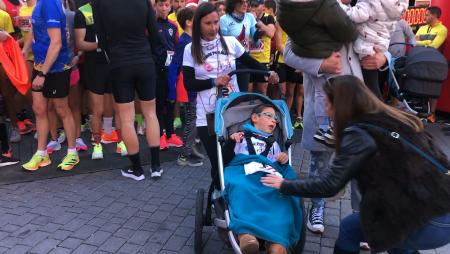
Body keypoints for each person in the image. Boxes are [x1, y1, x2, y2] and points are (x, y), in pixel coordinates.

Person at [262, 74, 450, 254]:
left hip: (427, 219)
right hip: (441, 207)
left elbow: (329, 185)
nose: (326, 109)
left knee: (350, 229)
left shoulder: (358, 133)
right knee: (393, 236)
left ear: (340, 105)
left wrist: (284, 185)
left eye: (327, 103)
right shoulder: (392, 118)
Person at [182, 2, 278, 192]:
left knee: (233, 157)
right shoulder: (190, 49)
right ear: (198, 25)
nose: (213, 28)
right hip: (207, 116)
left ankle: (235, 195)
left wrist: (268, 72)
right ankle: (220, 195)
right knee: (217, 160)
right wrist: (212, 82)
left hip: (232, 112)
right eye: (208, 23)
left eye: (216, 22)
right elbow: (188, 84)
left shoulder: (231, 42)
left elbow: (250, 61)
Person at [95, 0, 163, 180]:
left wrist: (112, 59)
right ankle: (156, 166)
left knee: (126, 118)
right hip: (144, 59)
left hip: (119, 62)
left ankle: (137, 169)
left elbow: (101, 38)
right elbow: (154, 32)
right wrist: (152, 55)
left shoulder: (101, 3)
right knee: (150, 114)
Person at [224, 104, 289, 254]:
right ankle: (246, 234)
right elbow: (228, 161)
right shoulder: (240, 137)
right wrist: (231, 142)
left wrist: (282, 159)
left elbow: (277, 166)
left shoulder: (274, 145)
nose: (274, 121)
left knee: (278, 192)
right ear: (255, 118)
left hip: (266, 174)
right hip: (244, 172)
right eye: (269, 116)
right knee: (241, 187)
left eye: (276, 118)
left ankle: (275, 241)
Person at [22, 0, 79, 171]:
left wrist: (42, 74)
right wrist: (25, 48)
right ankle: (41, 154)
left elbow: (56, 43)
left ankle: (72, 152)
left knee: (62, 108)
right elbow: (35, 27)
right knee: (39, 109)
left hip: (57, 66)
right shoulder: (40, 3)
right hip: (40, 63)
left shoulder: (50, 3)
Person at [74, 0, 123, 160]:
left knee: (119, 107)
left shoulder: (114, 8)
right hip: (94, 65)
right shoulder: (83, 11)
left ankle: (120, 141)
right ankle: (97, 145)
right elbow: (80, 43)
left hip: (114, 62)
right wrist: (101, 45)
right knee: (97, 109)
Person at [168, 7, 203, 167]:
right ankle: (184, 155)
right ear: (189, 22)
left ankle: (190, 148)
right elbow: (175, 65)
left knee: (193, 118)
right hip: (186, 85)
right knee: (190, 120)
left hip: (193, 84)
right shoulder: (184, 41)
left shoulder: (192, 39)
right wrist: (172, 89)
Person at [155, 0, 184, 151]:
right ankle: (159, 135)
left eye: (166, 5)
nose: (164, 8)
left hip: (171, 71)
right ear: (155, 6)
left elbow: (177, 47)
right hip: (156, 71)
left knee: (171, 102)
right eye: (161, 5)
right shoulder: (151, 25)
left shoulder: (173, 25)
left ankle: (170, 134)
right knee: (159, 105)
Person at [415, 6, 448, 123]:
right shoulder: (422, 27)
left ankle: (431, 114)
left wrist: (422, 42)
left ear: (434, 15)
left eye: (427, 14)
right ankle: (419, 111)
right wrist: (427, 42)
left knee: (434, 88)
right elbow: (414, 42)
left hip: (435, 63)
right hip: (420, 60)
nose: (425, 17)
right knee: (419, 84)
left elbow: (434, 46)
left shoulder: (442, 29)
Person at [219, 0, 260, 92]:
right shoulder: (224, 19)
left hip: (244, 59)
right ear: (233, 3)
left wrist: (258, 35)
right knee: (229, 91)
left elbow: (256, 42)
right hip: (229, 61)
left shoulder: (250, 17)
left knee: (243, 91)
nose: (245, 4)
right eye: (241, 2)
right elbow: (223, 43)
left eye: (246, 2)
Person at [248, 0, 275, 95]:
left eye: (255, 5)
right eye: (251, 5)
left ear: (263, 6)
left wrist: (257, 21)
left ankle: (263, 108)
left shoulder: (269, 18)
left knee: (262, 89)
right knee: (248, 90)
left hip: (263, 60)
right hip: (249, 59)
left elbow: (271, 33)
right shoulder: (247, 17)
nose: (253, 8)